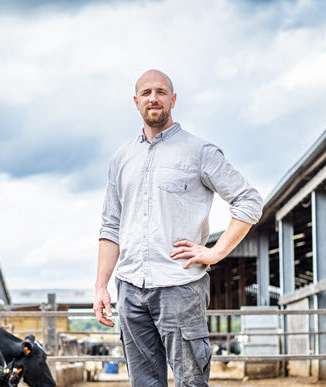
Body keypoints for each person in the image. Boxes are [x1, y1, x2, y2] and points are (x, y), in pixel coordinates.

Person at [94, 69, 263, 387]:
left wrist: (216, 251)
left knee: (190, 381)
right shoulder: (121, 159)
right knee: (144, 383)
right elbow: (110, 225)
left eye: (160, 91)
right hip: (129, 287)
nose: (153, 98)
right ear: (136, 101)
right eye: (146, 93)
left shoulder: (199, 152)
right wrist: (101, 286)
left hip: (181, 286)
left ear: (173, 99)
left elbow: (249, 202)